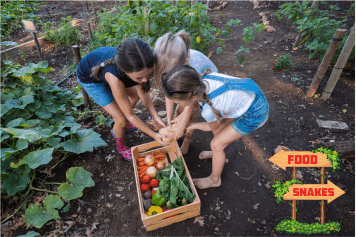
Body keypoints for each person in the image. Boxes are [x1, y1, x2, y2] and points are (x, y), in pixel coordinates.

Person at [162, 65, 269, 189]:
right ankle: (216, 154)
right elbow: (199, 113)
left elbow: (212, 127)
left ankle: (214, 179)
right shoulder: (204, 82)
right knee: (219, 134)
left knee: (216, 144)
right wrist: (179, 121)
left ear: (192, 97)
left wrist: (191, 125)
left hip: (254, 113)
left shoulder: (209, 109)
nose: (178, 105)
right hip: (249, 95)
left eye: (178, 102)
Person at [76, 38, 168, 161]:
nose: (145, 80)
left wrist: (156, 117)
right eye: (140, 77)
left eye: (149, 75)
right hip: (90, 79)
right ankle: (121, 145)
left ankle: (123, 118)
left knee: (134, 96)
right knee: (121, 119)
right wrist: (154, 135)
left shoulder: (138, 64)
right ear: (126, 71)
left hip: (108, 72)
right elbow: (131, 115)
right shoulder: (115, 78)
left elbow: (142, 93)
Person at [154, 30, 218, 154]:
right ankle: (178, 132)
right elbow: (169, 93)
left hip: (204, 86)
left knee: (190, 115)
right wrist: (169, 118)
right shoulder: (170, 64)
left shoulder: (192, 69)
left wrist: (182, 126)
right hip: (187, 85)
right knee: (179, 111)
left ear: (183, 63)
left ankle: (187, 141)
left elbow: (190, 106)